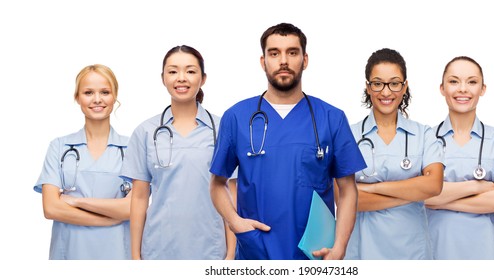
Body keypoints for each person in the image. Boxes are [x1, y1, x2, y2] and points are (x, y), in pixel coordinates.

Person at [209, 22, 366, 260]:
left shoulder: (331, 118)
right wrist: (235, 222)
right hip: (256, 253)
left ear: (305, 60)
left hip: (314, 256)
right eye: (274, 53)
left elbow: (347, 190)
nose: (284, 61)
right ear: (263, 62)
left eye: (292, 52)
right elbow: (217, 183)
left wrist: (340, 247)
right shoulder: (237, 117)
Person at [120, 45, 235, 260]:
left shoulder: (223, 129)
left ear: (203, 78)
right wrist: (135, 257)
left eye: (190, 71)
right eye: (173, 71)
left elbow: (232, 195)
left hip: (210, 249)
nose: (181, 78)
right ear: (163, 78)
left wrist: (230, 254)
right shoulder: (145, 132)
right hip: (158, 249)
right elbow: (139, 199)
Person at [344, 48, 444, 260]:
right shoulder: (349, 135)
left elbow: (434, 186)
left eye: (394, 83)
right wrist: (412, 191)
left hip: (412, 253)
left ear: (404, 86)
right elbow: (344, 199)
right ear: (368, 87)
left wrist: (372, 189)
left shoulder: (424, 134)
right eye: (378, 83)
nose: (386, 92)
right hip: (363, 252)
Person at [425, 56, 494, 259]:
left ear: (482, 89)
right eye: (453, 81)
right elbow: (421, 197)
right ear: (442, 88)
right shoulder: (426, 140)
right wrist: (476, 187)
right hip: (438, 251)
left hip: (487, 254)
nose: (462, 89)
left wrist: (440, 199)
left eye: (472, 81)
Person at [34, 64, 131, 259]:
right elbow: (51, 207)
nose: (97, 99)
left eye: (105, 92)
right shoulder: (59, 147)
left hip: (118, 254)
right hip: (70, 254)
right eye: (88, 92)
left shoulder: (131, 149)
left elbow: (132, 208)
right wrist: (108, 219)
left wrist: (76, 201)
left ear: (114, 96)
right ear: (77, 97)